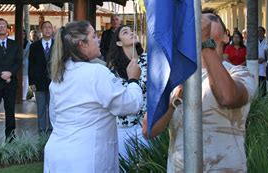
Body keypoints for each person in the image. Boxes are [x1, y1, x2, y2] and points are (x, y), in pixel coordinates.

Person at [144, 10, 256, 172]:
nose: (202, 26)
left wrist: (204, 44)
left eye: (208, 21)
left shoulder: (239, 73)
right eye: (197, 23)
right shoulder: (174, 76)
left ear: (225, 36)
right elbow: (148, 130)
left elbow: (228, 97)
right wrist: (171, 104)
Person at [44, 20, 143, 172]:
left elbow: (55, 118)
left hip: (58, 154)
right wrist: (133, 80)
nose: (98, 40)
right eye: (94, 36)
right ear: (82, 44)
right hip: (86, 157)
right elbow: (129, 104)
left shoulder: (58, 77)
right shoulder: (96, 73)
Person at [106, 25, 148, 159]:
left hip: (147, 125)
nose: (131, 33)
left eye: (132, 31)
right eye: (125, 32)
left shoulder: (149, 60)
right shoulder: (112, 70)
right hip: (123, 128)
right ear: (119, 42)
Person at [28, 21, 54, 133]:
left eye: (49, 27)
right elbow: (31, 65)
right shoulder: (34, 46)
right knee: (41, 108)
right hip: (39, 82)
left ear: (52, 29)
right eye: (45, 27)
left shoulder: (57, 45)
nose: (47, 29)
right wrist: (31, 82)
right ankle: (41, 130)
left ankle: (52, 130)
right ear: (41, 30)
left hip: (54, 82)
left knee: (53, 109)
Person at [258, 26, 268, 96]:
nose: (259, 32)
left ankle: (263, 96)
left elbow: (267, 52)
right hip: (256, 64)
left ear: (264, 32)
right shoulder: (253, 41)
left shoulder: (267, 41)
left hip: (264, 63)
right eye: (258, 31)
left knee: (263, 81)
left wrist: (264, 59)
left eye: (261, 31)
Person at [21, 30, 31, 101]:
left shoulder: (28, 44)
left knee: (25, 79)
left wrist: (23, 61)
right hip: (17, 62)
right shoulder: (15, 42)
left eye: (24, 34)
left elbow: (28, 54)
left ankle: (24, 96)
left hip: (25, 63)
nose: (22, 36)